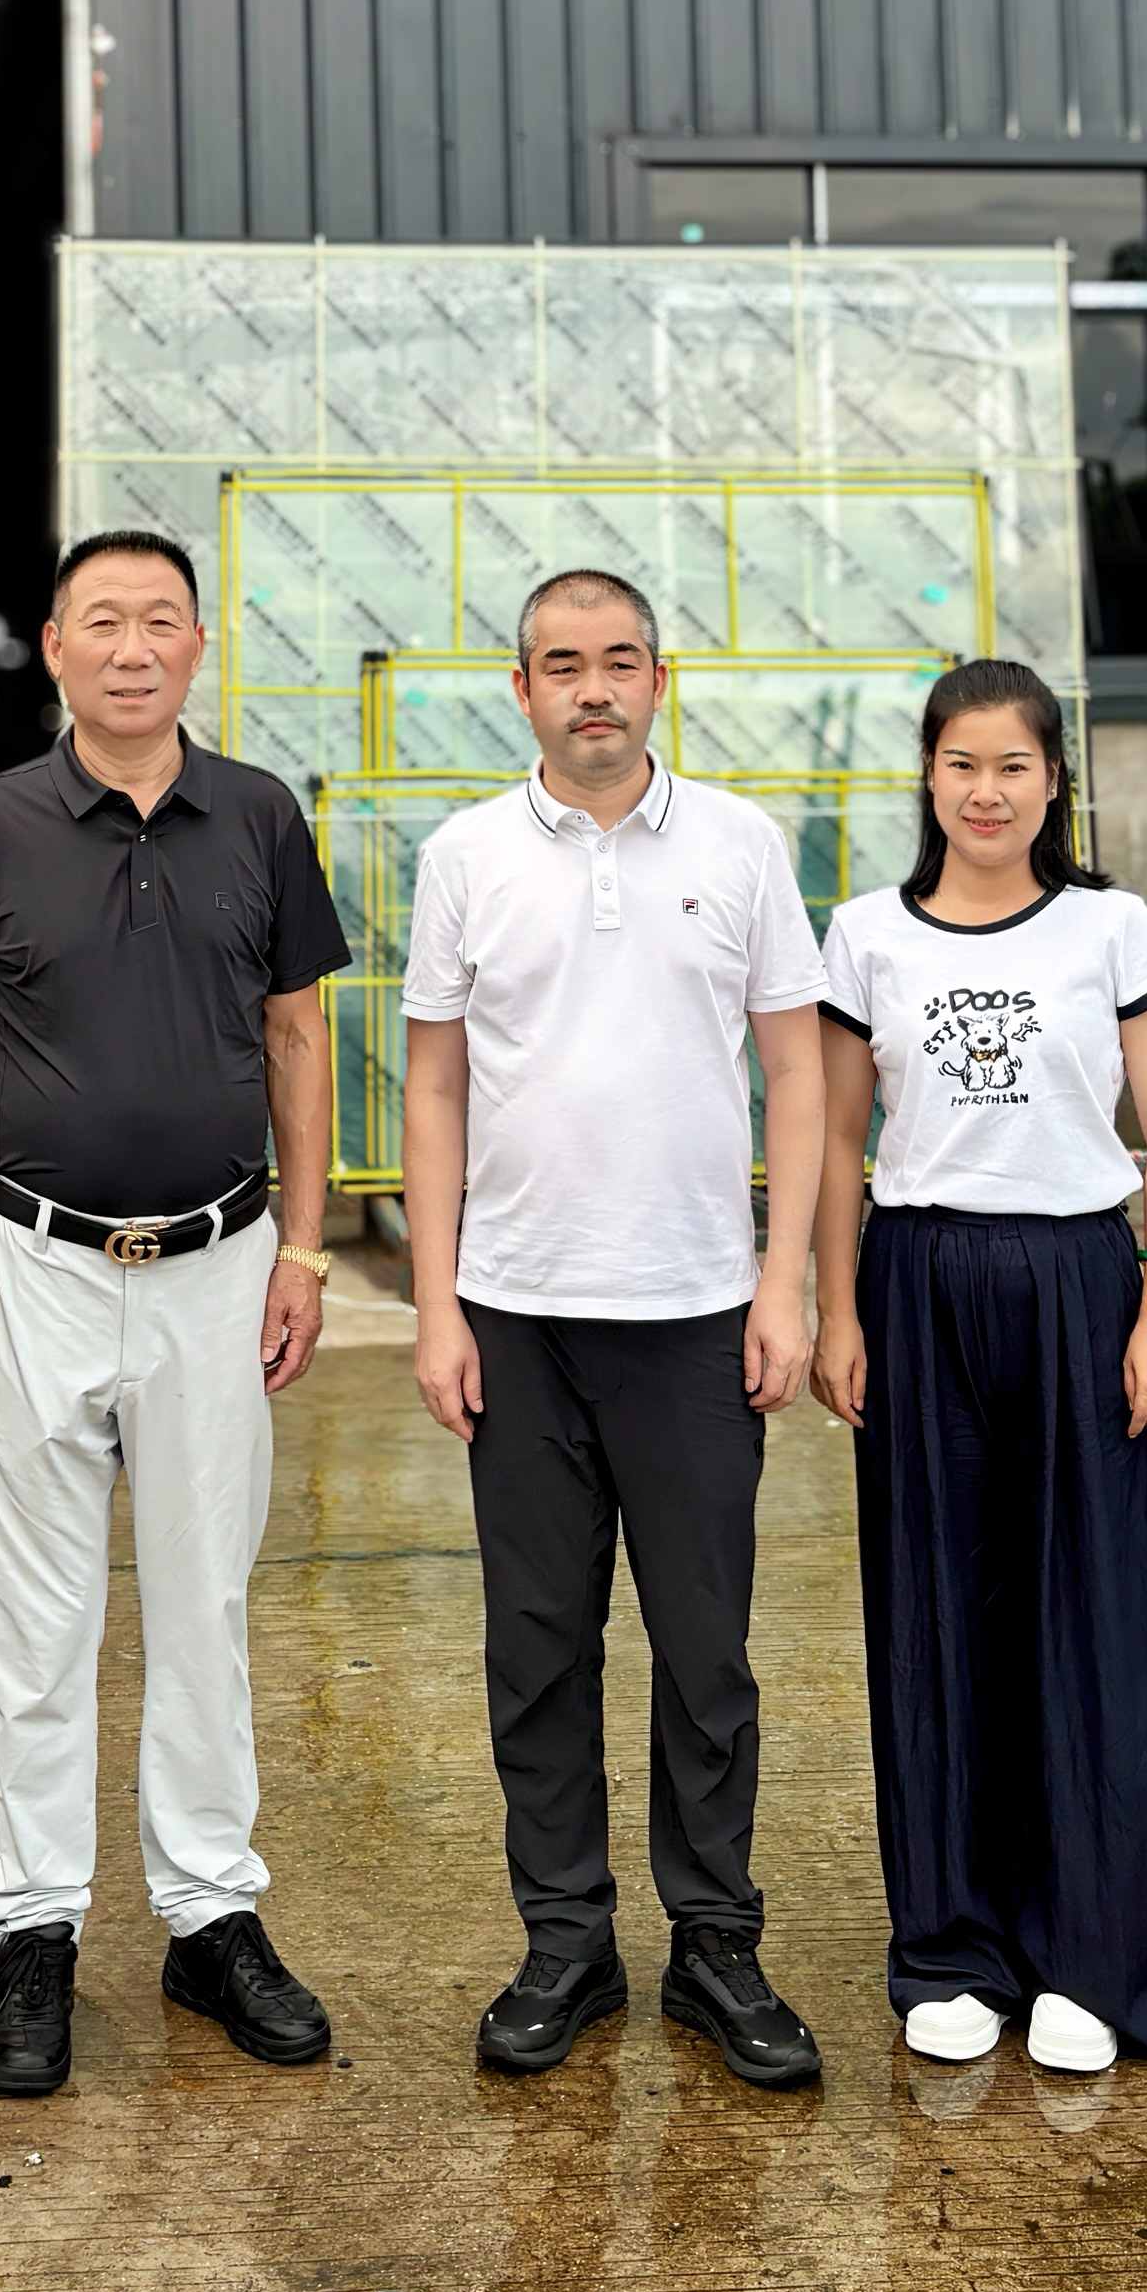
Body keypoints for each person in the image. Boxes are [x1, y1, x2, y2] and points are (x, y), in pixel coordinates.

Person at [0, 528, 351, 2098]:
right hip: (34, 1263)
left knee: (204, 1601)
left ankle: (210, 1914)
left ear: (198, 644)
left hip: (220, 1262)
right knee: (39, 1618)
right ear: (55, 646)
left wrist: (305, 1251)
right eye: (104, 620)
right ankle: (35, 1925)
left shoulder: (261, 816)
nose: (134, 646)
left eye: (162, 619)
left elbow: (298, 1037)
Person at [401, 568, 829, 2089]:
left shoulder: (740, 843)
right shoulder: (464, 856)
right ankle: (565, 1943)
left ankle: (715, 1943)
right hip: (518, 1316)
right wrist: (437, 1305)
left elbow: (799, 1073)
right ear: (521, 689)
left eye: (621, 661)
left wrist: (784, 1284)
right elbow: (434, 1087)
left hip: (696, 1313)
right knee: (538, 1646)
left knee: (705, 1650)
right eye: (564, 664)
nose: (594, 687)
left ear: (660, 680)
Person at [811, 656, 1147, 2081]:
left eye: (1014, 767)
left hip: (1078, 1284)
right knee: (935, 1615)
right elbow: (837, 1143)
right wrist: (838, 1310)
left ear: (1053, 782)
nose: (987, 792)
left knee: (1085, 1616)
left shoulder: (1112, 926)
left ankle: (1090, 1960)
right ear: (929, 778)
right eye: (961, 765)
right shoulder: (865, 936)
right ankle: (951, 1949)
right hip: (918, 1281)